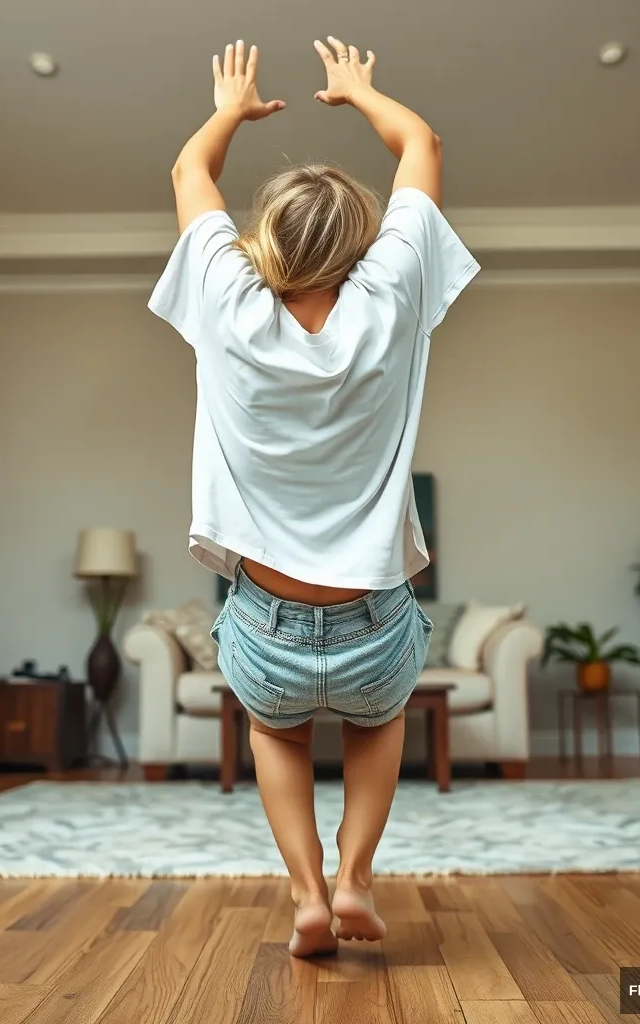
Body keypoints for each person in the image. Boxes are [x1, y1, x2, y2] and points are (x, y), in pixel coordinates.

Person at [150, 36, 479, 957]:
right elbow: (425, 148)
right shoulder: (391, 298)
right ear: (364, 243)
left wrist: (231, 106)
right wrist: (361, 93)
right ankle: (356, 876)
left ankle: (304, 894)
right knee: (380, 727)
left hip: (264, 620)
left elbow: (189, 169)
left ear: (263, 243)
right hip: (375, 615)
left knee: (275, 734)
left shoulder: (228, 300)